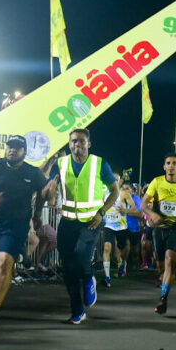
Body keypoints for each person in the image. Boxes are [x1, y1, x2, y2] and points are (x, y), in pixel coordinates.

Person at [0, 135, 48, 325]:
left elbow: (43, 192)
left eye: (17, 147)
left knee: (4, 263)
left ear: (24, 151)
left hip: (17, 224)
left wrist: (38, 212)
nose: (12, 150)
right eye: (10, 147)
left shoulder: (33, 172)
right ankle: (17, 259)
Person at [45, 128, 120, 324]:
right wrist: (50, 192)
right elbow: (49, 192)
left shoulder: (100, 164)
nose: (77, 145)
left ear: (89, 144)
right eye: (73, 141)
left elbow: (114, 191)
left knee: (81, 256)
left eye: (81, 141)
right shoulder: (60, 164)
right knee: (68, 268)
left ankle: (89, 280)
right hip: (67, 223)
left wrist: (101, 212)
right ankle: (77, 311)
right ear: (69, 144)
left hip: (91, 222)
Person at [141, 154, 176, 314]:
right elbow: (144, 204)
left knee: (170, 259)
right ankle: (162, 279)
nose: (171, 166)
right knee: (161, 266)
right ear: (164, 167)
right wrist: (151, 214)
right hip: (160, 228)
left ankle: (163, 299)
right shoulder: (157, 182)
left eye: (175, 163)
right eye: (168, 163)